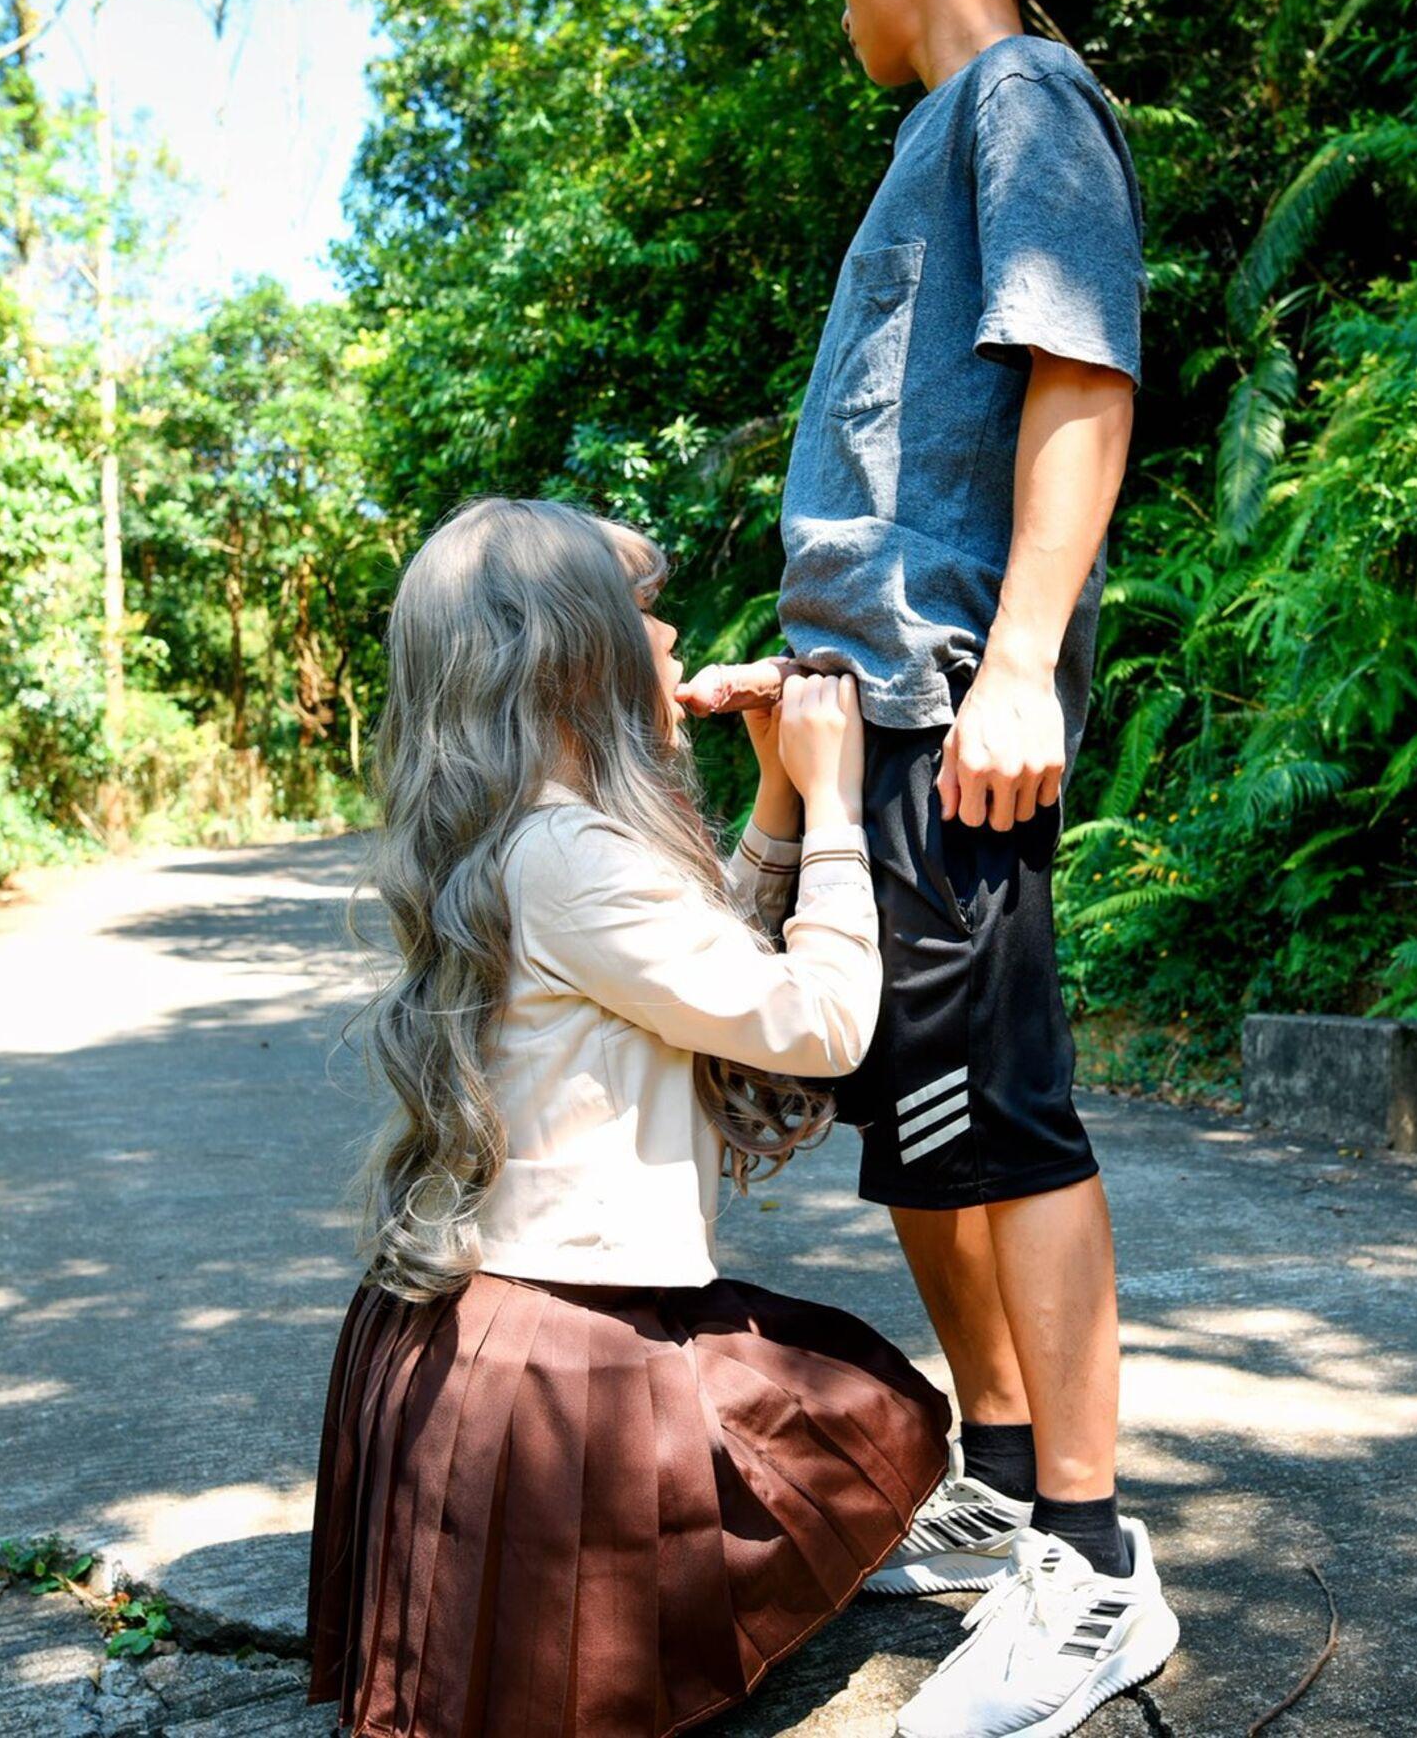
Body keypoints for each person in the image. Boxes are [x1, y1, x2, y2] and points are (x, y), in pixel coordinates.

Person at [675, 0, 1175, 1731]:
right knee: (919, 1121)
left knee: (1004, 1111)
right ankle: (1007, 1471)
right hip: (871, 700)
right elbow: (901, 470)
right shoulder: (946, 127)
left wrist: (1021, 661)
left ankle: (1095, 1568)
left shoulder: (1021, 96)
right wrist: (802, 672)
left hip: (955, 700)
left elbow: (1081, 379)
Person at [306, 497, 952, 1737]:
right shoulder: (573, 855)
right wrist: (835, 807)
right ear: (573, 657)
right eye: (645, 616)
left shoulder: (534, 836)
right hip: (560, 1345)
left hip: (493, 1312)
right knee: (860, 1428)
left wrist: (774, 797)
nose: (670, 642)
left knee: (844, 1410)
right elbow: (814, 1023)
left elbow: (695, 966)